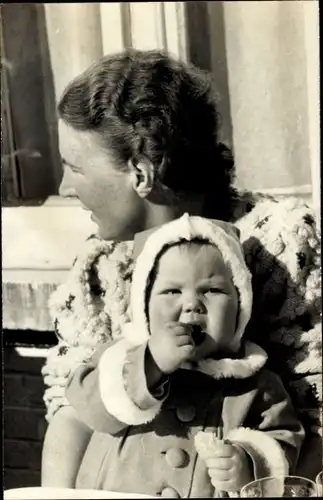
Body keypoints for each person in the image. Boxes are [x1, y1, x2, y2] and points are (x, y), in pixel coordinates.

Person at [41, 49, 321, 487]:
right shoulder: (97, 268)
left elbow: (315, 412)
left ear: (140, 172)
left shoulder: (277, 241)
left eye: (75, 167)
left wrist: (254, 470)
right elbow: (70, 412)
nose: (63, 187)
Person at [65, 214, 304, 497]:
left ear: (241, 306)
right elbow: (87, 408)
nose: (192, 304)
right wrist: (149, 365)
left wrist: (248, 463)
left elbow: (284, 441)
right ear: (143, 306)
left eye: (212, 290)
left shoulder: (255, 384)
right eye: (171, 291)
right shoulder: (119, 360)